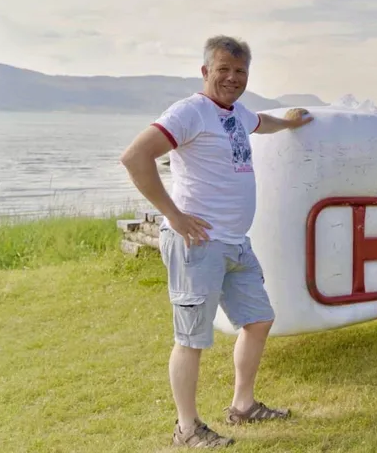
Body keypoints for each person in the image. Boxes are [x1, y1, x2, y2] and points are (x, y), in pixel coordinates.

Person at [119, 35, 314, 448]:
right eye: (223, 69)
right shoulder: (189, 112)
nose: (232, 77)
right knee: (191, 338)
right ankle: (186, 429)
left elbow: (263, 122)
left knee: (259, 320)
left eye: (240, 71)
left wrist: (292, 122)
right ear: (205, 71)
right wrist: (174, 216)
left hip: (236, 244)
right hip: (199, 245)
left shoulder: (238, 113)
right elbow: (136, 157)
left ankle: (243, 406)